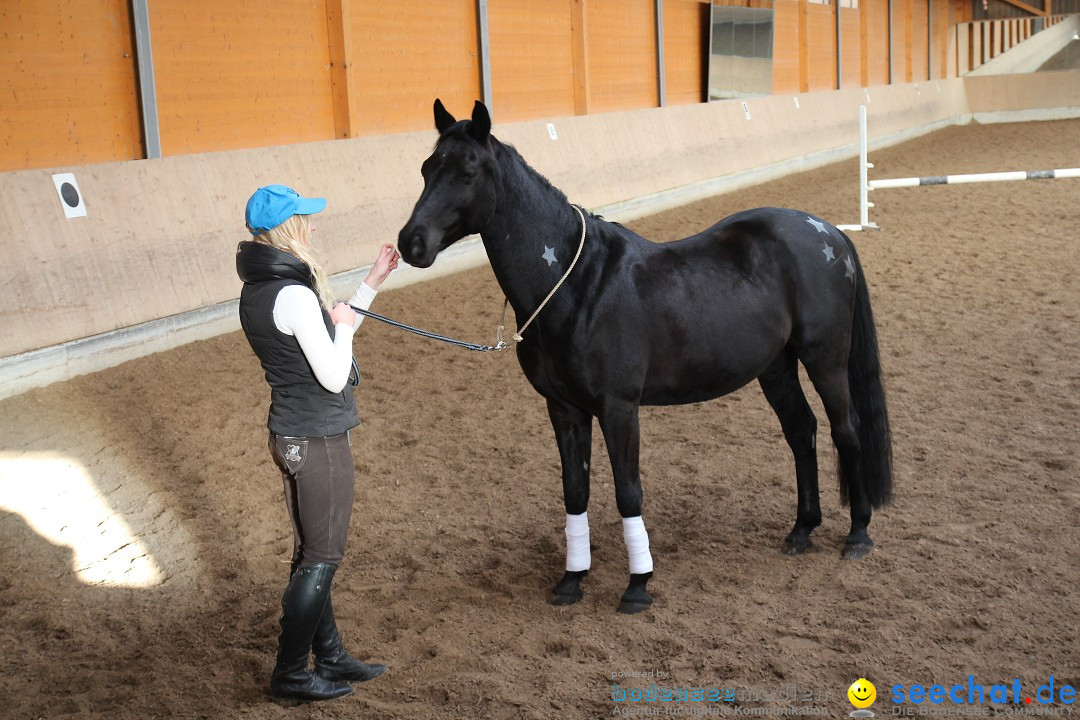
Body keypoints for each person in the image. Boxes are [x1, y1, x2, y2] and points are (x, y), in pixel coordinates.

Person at [235, 184, 399, 703]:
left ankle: (327, 655)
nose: (314, 224)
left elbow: (325, 334)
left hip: (289, 434)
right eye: (305, 217)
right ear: (289, 228)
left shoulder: (260, 290)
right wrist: (347, 326)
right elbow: (333, 372)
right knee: (322, 556)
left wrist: (369, 287)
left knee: (311, 552)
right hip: (318, 438)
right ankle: (290, 674)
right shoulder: (295, 295)